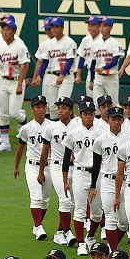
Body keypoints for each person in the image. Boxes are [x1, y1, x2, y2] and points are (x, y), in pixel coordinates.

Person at [63, 100, 106, 255]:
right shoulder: (73, 134)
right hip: (80, 173)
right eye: (85, 114)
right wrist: (65, 180)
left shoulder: (101, 134)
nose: (89, 116)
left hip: (98, 174)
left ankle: (90, 236)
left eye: (91, 114)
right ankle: (81, 243)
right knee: (80, 210)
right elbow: (66, 158)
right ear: (80, 115)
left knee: (96, 211)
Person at [38, 96, 76, 245]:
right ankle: (67, 231)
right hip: (56, 166)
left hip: (75, 167)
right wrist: (41, 171)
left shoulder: (77, 126)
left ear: (71, 111)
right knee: (65, 199)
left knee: (71, 202)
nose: (60, 111)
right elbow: (45, 151)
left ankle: (59, 232)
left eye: (64, 108)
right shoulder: (51, 128)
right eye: (58, 108)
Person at [0, 17, 29, 152]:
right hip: (3, 80)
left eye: (7, 29)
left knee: (14, 113)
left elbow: (24, 65)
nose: (4, 32)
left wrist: (19, 84)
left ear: (14, 31)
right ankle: (5, 143)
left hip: (16, 80)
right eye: (3, 29)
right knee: (3, 113)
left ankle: (25, 123)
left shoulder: (20, 45)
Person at [15, 96, 53, 241]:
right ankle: (38, 226)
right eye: (38, 107)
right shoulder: (27, 128)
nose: (41, 110)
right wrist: (16, 167)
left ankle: (38, 224)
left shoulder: (51, 126)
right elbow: (20, 149)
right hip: (32, 166)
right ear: (32, 109)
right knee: (36, 197)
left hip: (49, 166)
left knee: (45, 200)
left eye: (43, 107)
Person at [92, 105, 130, 248]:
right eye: (113, 119)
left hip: (126, 181)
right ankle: (114, 250)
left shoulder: (129, 139)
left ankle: (111, 246)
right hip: (107, 180)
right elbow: (96, 165)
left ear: (123, 120)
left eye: (119, 119)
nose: (116, 122)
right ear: (108, 120)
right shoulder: (100, 140)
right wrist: (93, 186)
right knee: (110, 217)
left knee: (124, 221)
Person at [32, 17, 76, 121]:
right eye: (52, 27)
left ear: (62, 28)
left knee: (63, 104)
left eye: (57, 27)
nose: (54, 29)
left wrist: (62, 74)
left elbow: (70, 60)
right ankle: (56, 132)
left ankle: (70, 127)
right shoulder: (49, 43)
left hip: (65, 77)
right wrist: (39, 75)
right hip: (51, 76)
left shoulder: (70, 42)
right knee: (52, 106)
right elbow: (45, 61)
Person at [89, 17, 123, 103]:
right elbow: (93, 63)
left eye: (104, 26)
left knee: (114, 103)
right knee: (97, 103)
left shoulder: (115, 43)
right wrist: (91, 80)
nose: (102, 28)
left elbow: (115, 61)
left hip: (111, 77)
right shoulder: (95, 44)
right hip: (98, 77)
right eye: (100, 26)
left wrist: (103, 68)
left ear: (110, 28)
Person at [75, 16, 102, 97]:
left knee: (102, 101)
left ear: (99, 26)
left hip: (102, 74)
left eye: (93, 25)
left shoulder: (103, 39)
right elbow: (82, 58)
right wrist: (78, 75)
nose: (90, 28)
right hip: (90, 73)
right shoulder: (86, 40)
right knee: (90, 100)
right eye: (89, 25)